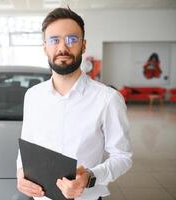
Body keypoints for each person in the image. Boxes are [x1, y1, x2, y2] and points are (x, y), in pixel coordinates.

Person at [16, 7, 132, 200]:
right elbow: (26, 147)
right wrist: (20, 171)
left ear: (83, 45)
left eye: (72, 39)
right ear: (45, 47)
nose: (63, 48)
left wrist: (89, 177)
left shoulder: (108, 98)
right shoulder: (33, 96)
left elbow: (122, 157)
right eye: (54, 40)